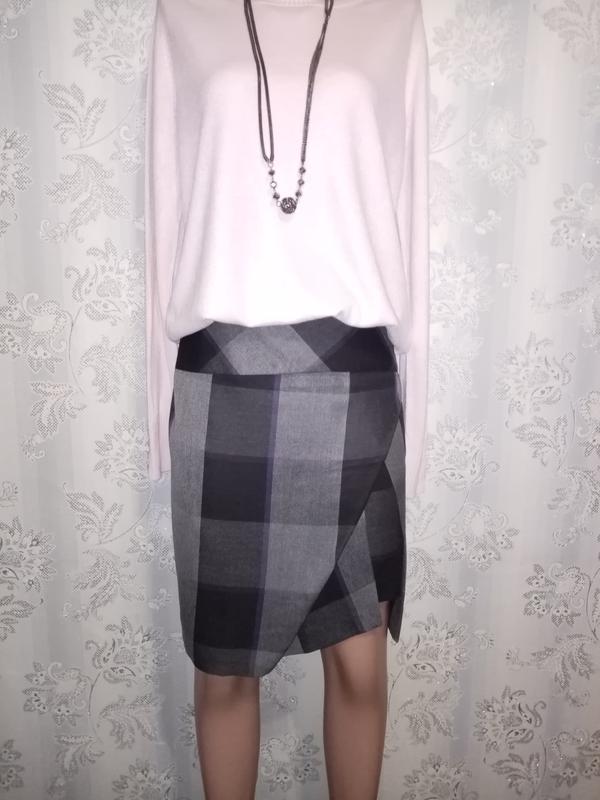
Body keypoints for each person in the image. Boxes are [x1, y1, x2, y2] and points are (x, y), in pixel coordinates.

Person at [144, 0, 430, 797]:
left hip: (354, 386)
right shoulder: (183, 16)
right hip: (222, 389)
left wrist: (421, 414)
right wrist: (156, 420)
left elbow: (411, 216)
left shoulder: (392, 17)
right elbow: (164, 218)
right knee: (223, 671)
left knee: (361, 664)